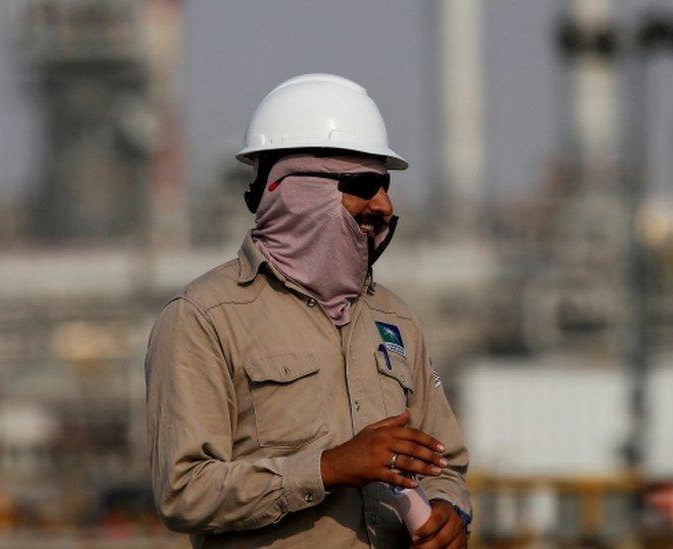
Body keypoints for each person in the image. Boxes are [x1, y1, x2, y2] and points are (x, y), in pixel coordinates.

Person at [145, 73, 471, 548]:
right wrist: (329, 468)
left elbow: (446, 463)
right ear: (296, 192)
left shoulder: (395, 320)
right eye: (364, 185)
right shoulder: (205, 318)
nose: (384, 204)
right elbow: (184, 493)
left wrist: (449, 510)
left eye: (386, 186)